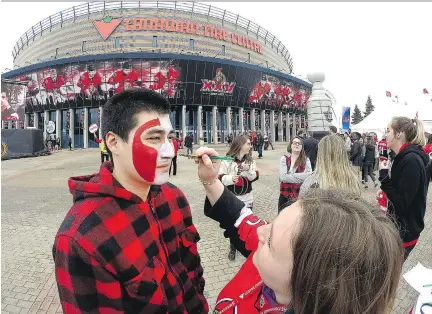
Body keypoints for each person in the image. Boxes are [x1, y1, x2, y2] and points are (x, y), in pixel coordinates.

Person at [195, 147, 404, 314]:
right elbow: (240, 216)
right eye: (273, 224)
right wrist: (210, 179)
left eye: (270, 243)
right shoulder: (273, 256)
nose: (261, 231)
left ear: (305, 280)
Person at [53, 89, 208, 313]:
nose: (169, 152)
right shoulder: (81, 238)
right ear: (113, 142)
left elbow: (193, 274)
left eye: (170, 138)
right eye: (154, 138)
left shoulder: (175, 198)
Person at [379, 117, 428, 260]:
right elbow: (401, 190)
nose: (385, 135)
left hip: (405, 233)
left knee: (387, 275)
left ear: (399, 134)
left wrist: (383, 178)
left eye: (388, 131)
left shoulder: (411, 160)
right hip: (398, 228)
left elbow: (401, 203)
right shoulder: (401, 157)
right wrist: (385, 192)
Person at [218, 134, 259, 261]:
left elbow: (256, 177)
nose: (250, 146)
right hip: (232, 199)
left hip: (247, 197)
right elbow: (219, 177)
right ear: (240, 144)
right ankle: (233, 246)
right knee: (233, 225)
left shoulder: (250, 160)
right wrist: (231, 178)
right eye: (248, 143)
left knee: (247, 223)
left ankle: (246, 246)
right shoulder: (227, 160)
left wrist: (248, 171)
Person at [278, 136, 312, 211]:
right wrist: (300, 178)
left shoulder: (306, 160)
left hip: (299, 197)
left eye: (299, 143)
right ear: (291, 145)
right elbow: (283, 177)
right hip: (284, 196)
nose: (297, 144)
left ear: (302, 147)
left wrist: (290, 175)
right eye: (295, 143)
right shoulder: (284, 159)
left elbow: (308, 177)